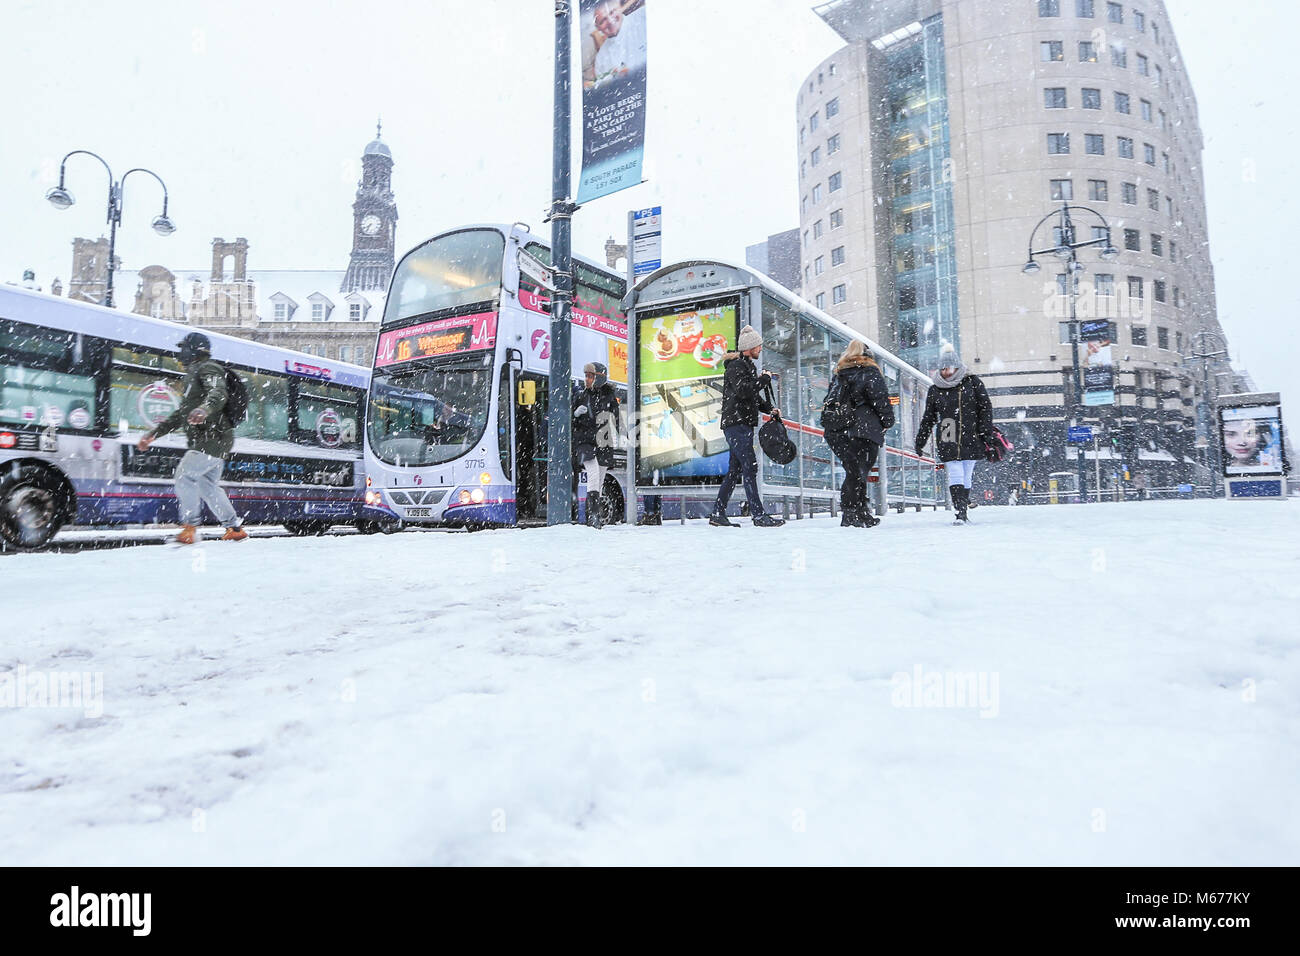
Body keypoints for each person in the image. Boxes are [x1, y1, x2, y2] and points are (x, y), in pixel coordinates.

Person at [135, 332, 247, 544]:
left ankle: (190, 528)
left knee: (184, 476)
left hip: (213, 436)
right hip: (211, 438)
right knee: (207, 485)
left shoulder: (208, 368)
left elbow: (218, 392)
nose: (180, 353)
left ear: (195, 350)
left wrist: (205, 409)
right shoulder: (191, 375)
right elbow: (180, 416)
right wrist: (153, 435)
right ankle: (234, 528)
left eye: (183, 348)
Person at [709, 325, 785, 527]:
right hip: (736, 424)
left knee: (735, 470)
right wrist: (764, 379)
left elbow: (751, 396)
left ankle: (718, 512)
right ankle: (758, 515)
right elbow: (744, 391)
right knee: (750, 466)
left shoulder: (746, 366)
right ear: (749, 347)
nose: (761, 348)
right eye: (758, 345)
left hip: (741, 423)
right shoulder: (736, 367)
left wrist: (769, 409)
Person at [915, 342, 994, 525]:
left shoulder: (972, 382)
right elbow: (929, 417)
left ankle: (963, 503)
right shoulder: (935, 389)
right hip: (948, 430)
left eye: (949, 368)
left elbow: (985, 408)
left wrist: (985, 432)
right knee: (955, 471)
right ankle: (960, 511)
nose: (946, 372)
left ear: (957, 367)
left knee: (966, 472)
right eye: (943, 369)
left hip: (971, 431)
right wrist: (920, 440)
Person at [822, 340, 894, 527]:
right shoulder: (870, 371)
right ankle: (852, 512)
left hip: (837, 430)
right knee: (858, 472)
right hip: (863, 430)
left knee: (853, 471)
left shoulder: (839, 374)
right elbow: (880, 399)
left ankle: (859, 511)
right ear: (867, 355)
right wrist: (887, 421)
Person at [573, 362, 620, 528]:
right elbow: (572, 421)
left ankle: (595, 515)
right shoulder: (580, 396)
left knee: (599, 480)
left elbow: (617, 417)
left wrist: (622, 434)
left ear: (599, 377)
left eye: (591, 376)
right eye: (586, 375)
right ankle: (592, 515)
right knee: (593, 475)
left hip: (604, 441)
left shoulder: (609, 396)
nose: (587, 379)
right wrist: (575, 414)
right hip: (585, 442)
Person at [583, 0, 648, 89]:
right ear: (598, 28)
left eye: (612, 12)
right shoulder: (600, 59)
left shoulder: (643, 16)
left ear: (619, 9)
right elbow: (606, 88)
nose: (610, 21)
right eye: (603, 20)